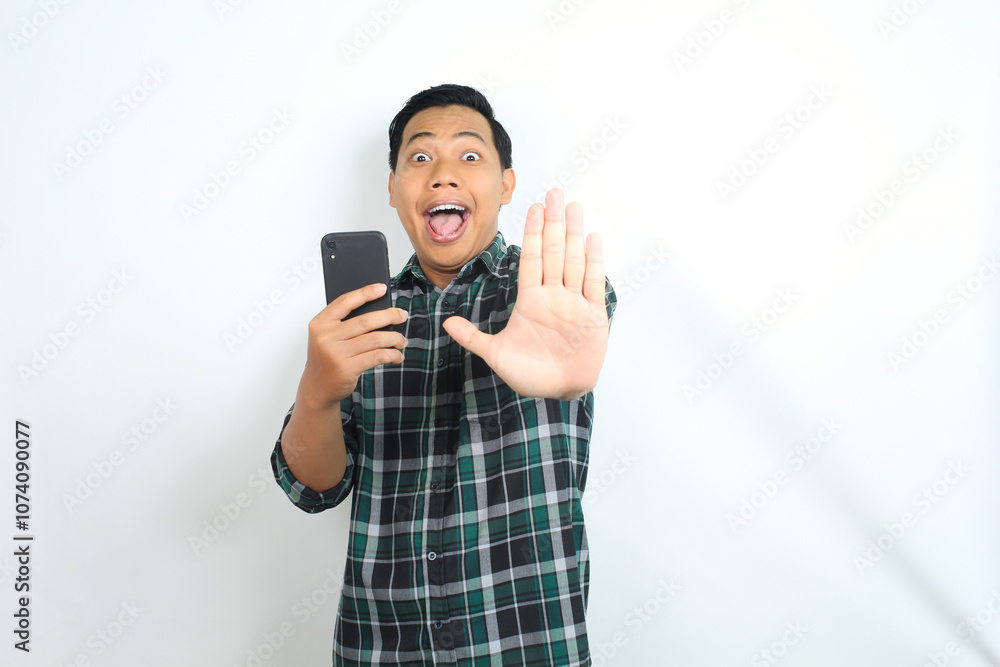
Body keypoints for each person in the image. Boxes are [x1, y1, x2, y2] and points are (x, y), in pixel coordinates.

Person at [270, 83, 617, 666]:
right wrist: (317, 393)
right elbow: (313, 487)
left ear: (506, 183)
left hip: (524, 646)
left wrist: (561, 361)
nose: (443, 174)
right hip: (379, 645)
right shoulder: (361, 319)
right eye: (420, 157)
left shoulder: (549, 296)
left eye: (470, 155)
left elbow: (581, 319)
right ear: (393, 188)